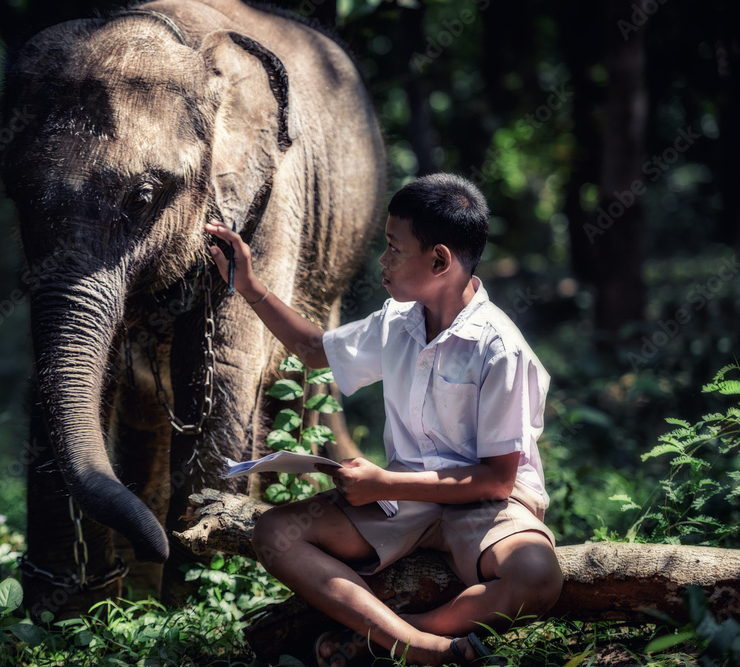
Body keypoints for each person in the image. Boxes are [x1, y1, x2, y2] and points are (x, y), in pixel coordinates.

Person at [205, 173, 563, 666]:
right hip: (403, 500)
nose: (383, 260)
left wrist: (383, 482)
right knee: (275, 532)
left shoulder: (499, 349)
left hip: (488, 505)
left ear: (439, 260)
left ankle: (388, 638)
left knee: (537, 574)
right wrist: (247, 285)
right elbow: (314, 350)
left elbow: (498, 479)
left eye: (394, 248)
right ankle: (424, 650)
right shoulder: (397, 322)